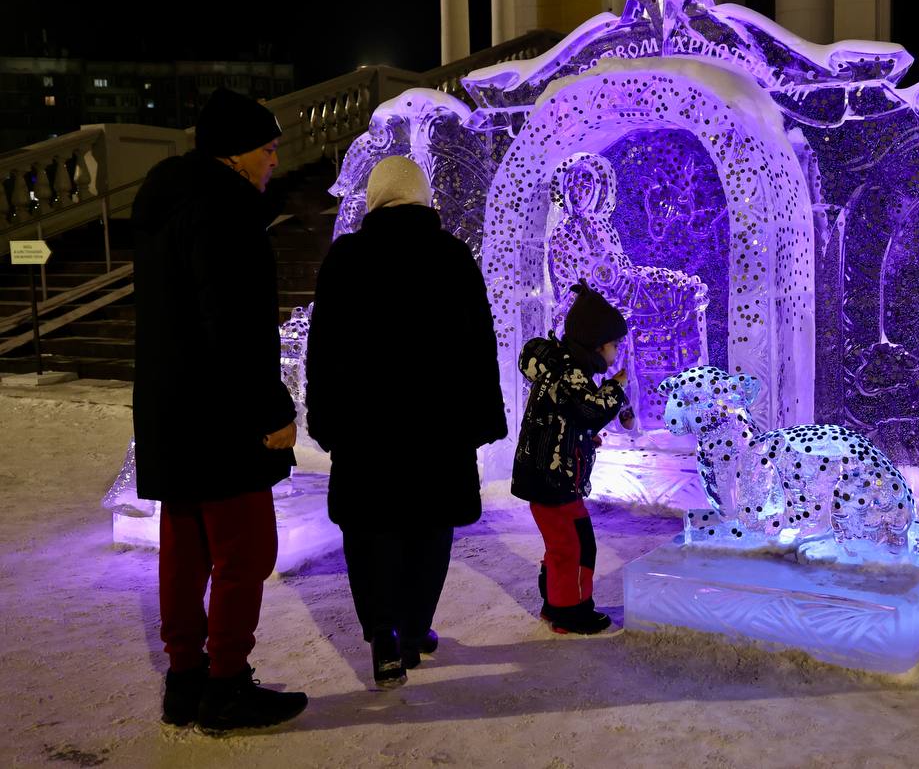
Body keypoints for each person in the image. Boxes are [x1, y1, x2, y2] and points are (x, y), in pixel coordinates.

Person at [132, 88, 307, 732]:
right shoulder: (225, 214)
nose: (272, 163)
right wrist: (271, 413)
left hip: (172, 418)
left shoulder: (167, 208)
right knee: (244, 552)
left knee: (184, 553)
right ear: (236, 155)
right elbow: (233, 329)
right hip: (223, 418)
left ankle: (186, 681)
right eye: (267, 150)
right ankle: (228, 683)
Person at [305, 155, 507, 688]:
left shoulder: (346, 258)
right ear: (421, 196)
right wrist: (482, 415)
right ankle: (415, 628)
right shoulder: (451, 256)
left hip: (365, 429)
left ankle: (384, 636)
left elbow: (322, 349)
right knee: (428, 527)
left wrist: (325, 419)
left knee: (371, 531)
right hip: (438, 427)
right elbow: (478, 344)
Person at [512, 283, 635, 635]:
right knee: (573, 548)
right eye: (615, 345)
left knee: (567, 544)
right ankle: (571, 613)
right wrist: (616, 385)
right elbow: (590, 409)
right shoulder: (570, 374)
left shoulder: (568, 371)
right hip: (552, 481)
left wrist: (581, 439)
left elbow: (566, 418)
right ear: (597, 345)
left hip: (554, 476)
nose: (617, 353)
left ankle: (557, 604)